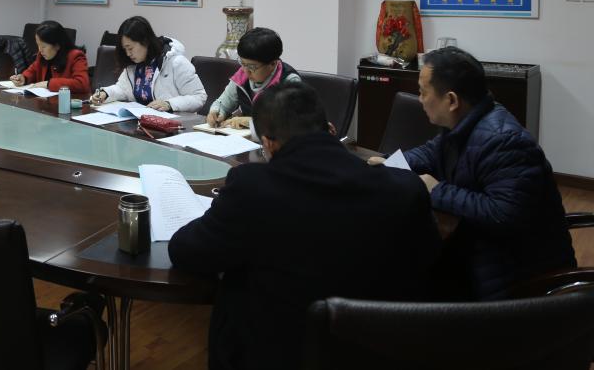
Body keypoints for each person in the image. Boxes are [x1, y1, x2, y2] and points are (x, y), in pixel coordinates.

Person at [170, 82, 440, 370]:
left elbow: (186, 251)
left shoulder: (253, 189)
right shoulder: (405, 190)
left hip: (275, 352)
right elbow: (429, 268)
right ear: (331, 130)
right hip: (377, 350)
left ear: (268, 144)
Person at [368, 47, 575, 300]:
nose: (419, 99)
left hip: (516, 280)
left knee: (400, 275)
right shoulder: (465, 121)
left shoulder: (504, 141)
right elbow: (430, 153)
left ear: (451, 100)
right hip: (477, 255)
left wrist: (437, 190)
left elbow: (503, 214)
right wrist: (389, 163)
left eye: (423, 92)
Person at [90, 16, 206, 112]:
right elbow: (122, 89)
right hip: (142, 123)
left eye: (130, 48)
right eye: (125, 49)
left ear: (145, 41)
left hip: (174, 125)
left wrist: (169, 104)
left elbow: (199, 97)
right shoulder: (133, 64)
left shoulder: (175, 62)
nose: (128, 54)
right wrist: (105, 93)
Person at [206, 27, 300, 130]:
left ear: (272, 63)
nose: (246, 71)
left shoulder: (289, 82)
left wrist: (251, 121)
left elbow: (290, 121)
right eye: (242, 63)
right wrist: (217, 112)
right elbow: (223, 104)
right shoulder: (242, 75)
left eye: (252, 66)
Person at [9, 20, 90, 96]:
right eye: (38, 45)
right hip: (45, 101)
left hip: (69, 102)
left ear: (57, 45)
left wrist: (48, 84)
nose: (40, 50)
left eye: (44, 46)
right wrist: (23, 78)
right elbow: (33, 71)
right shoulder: (42, 55)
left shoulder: (76, 56)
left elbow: (82, 84)